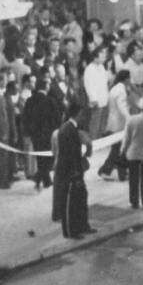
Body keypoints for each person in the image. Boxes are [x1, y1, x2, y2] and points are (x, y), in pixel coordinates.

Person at [54, 103, 93, 240]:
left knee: (81, 197)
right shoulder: (68, 129)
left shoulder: (71, 128)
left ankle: (82, 225)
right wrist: (74, 171)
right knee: (70, 201)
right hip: (70, 172)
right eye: (81, 114)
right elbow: (69, 154)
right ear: (77, 114)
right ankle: (71, 231)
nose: (83, 117)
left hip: (75, 170)